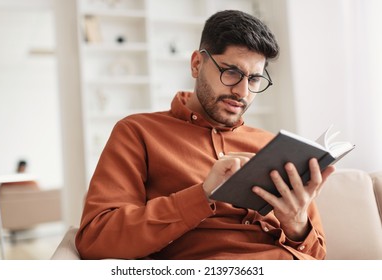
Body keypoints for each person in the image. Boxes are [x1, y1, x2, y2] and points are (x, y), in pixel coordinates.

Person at [75, 10, 335, 260]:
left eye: (254, 79)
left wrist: (296, 224)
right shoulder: (137, 132)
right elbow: (96, 238)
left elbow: (317, 256)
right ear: (197, 64)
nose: (242, 92)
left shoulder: (273, 146)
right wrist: (203, 194)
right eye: (231, 72)